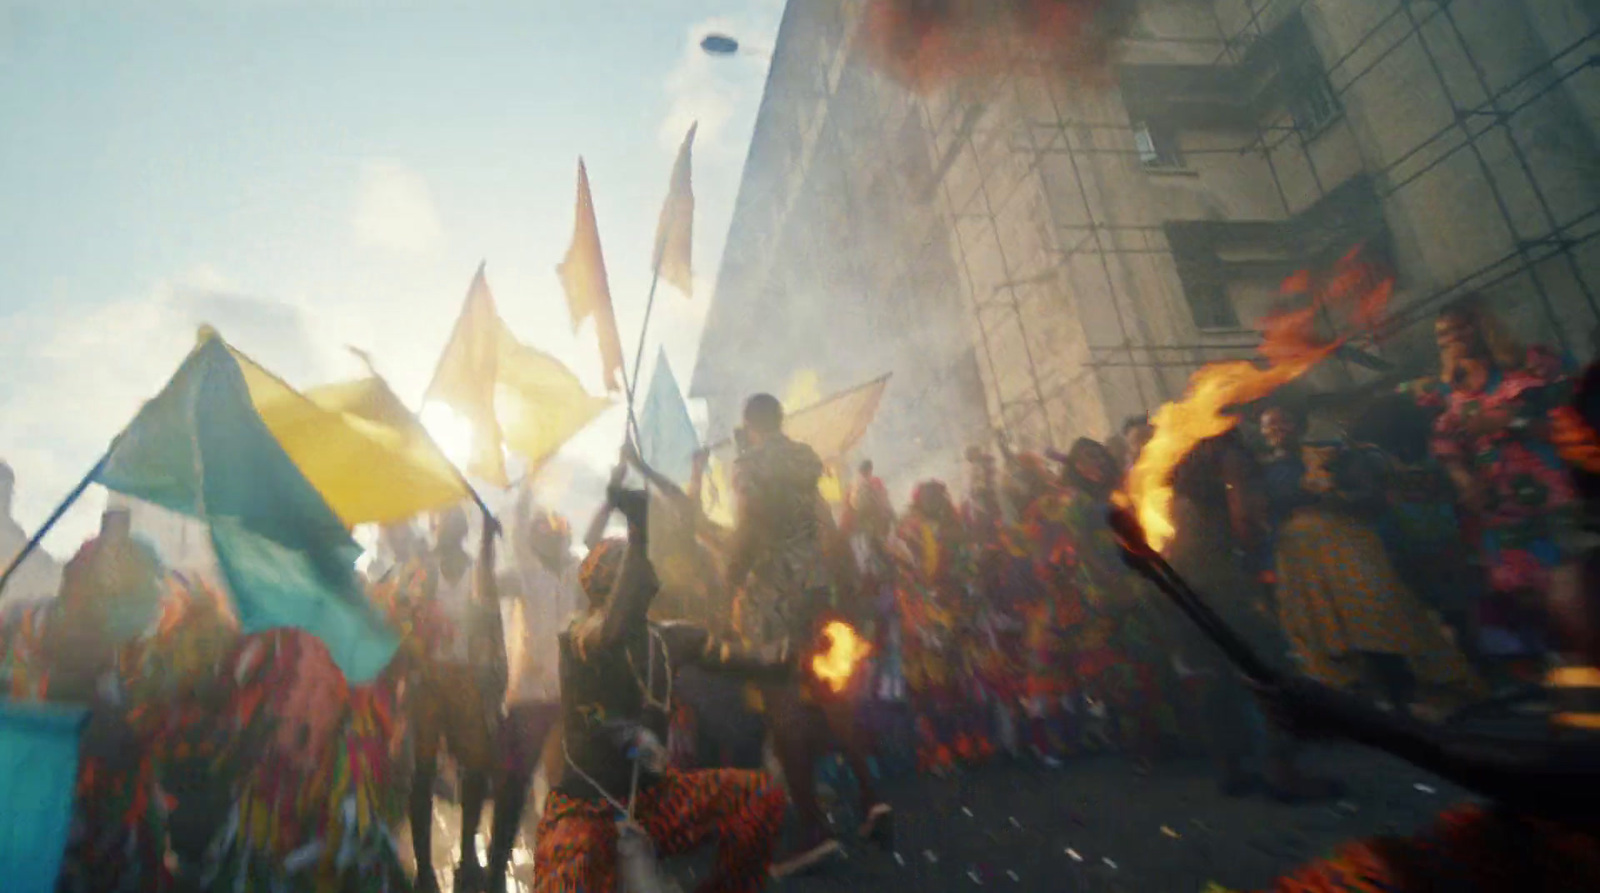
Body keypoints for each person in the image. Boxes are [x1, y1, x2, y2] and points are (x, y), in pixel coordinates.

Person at [522, 478, 790, 893]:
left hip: (657, 803)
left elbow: (736, 660)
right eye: (632, 574)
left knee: (760, 796)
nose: (646, 579)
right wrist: (639, 530)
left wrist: (783, 661)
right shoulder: (580, 639)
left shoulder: (671, 638)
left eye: (643, 570)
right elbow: (612, 632)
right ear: (606, 596)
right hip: (586, 812)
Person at [724, 393, 890, 877]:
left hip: (771, 599)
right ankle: (873, 799)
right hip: (814, 587)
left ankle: (814, 832)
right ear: (780, 419)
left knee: (784, 709)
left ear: (748, 424)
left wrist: (732, 575)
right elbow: (826, 527)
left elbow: (750, 522)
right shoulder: (804, 460)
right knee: (831, 695)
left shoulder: (749, 464)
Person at [1259, 405, 1481, 715]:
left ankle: (1422, 690)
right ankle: (1362, 702)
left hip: (1349, 544)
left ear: (1299, 424)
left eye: (1282, 421)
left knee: (1379, 614)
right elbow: (1264, 512)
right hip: (1301, 557)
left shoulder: (1334, 455)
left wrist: (1334, 491)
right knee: (1325, 627)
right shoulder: (1264, 470)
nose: (1276, 429)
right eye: (1268, 425)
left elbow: (1369, 494)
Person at [1165, 430, 1340, 802]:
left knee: (1216, 678)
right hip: (1225, 583)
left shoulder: (1177, 472)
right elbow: (1244, 518)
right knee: (1267, 667)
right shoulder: (1230, 458)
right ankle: (1283, 772)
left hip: (1186, 587)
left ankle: (1231, 769)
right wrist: (1255, 552)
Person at [1417, 295, 1582, 677]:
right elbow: (1446, 445)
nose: (1452, 337)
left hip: (1554, 500)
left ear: (1483, 324)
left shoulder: (1530, 368)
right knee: (1527, 601)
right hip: (1498, 513)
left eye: (1461, 326)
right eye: (1443, 332)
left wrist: (1511, 423)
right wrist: (1462, 478)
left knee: (1575, 588)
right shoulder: (1446, 393)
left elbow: (1569, 424)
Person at [409, 505, 502, 893]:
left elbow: (492, 622)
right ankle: (425, 869)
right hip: (428, 679)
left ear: (460, 532)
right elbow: (406, 616)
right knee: (423, 771)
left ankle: (467, 855)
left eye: (449, 526)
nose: (443, 532)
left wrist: (494, 680)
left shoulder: (477, 571)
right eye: (440, 526)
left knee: (477, 769)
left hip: (465, 678)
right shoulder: (423, 570)